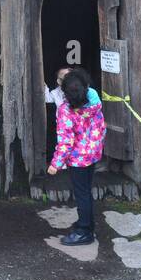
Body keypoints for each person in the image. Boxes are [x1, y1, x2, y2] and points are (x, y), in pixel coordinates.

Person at [47, 67, 105, 246]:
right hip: (93, 154)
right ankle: (86, 222)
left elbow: (65, 142)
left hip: (78, 160)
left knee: (82, 194)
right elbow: (101, 127)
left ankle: (84, 231)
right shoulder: (94, 103)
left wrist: (55, 164)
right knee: (86, 191)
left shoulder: (66, 111)